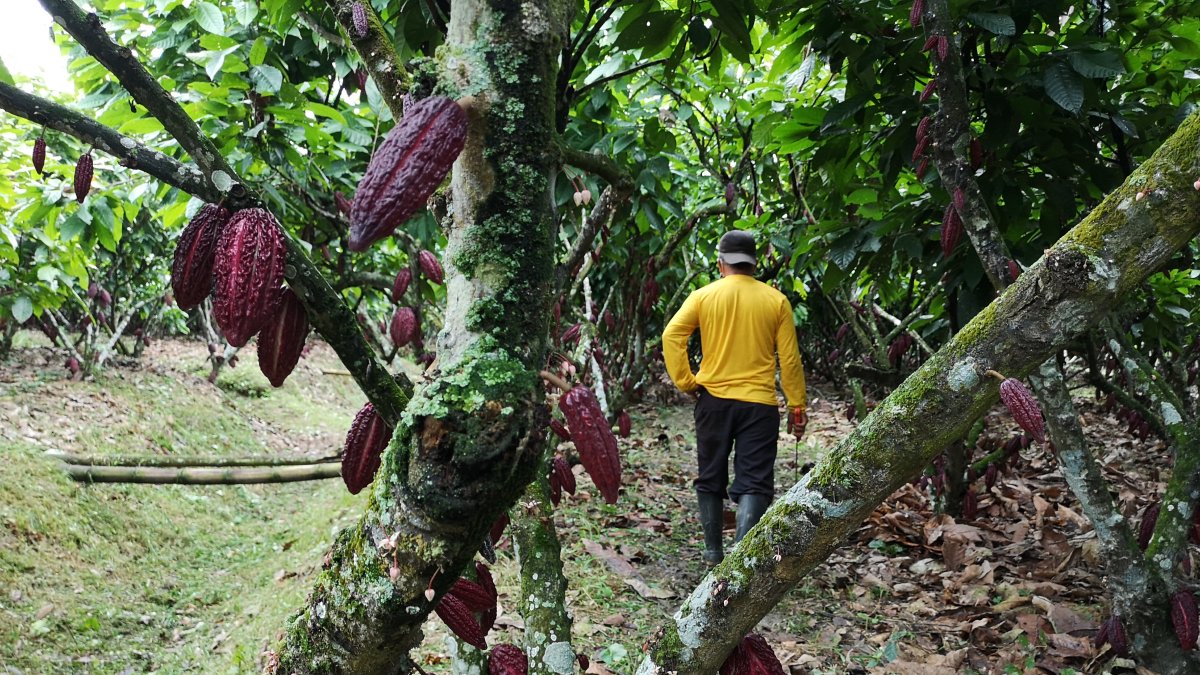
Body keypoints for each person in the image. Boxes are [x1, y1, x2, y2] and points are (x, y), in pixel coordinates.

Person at [662, 230, 808, 567]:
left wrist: (686, 382)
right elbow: (789, 360)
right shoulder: (776, 300)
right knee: (755, 481)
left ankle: (714, 554)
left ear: (721, 264)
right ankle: (740, 559)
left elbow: (672, 335)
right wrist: (797, 405)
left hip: (713, 401)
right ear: (754, 264)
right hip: (760, 405)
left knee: (710, 475)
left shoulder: (703, 296)